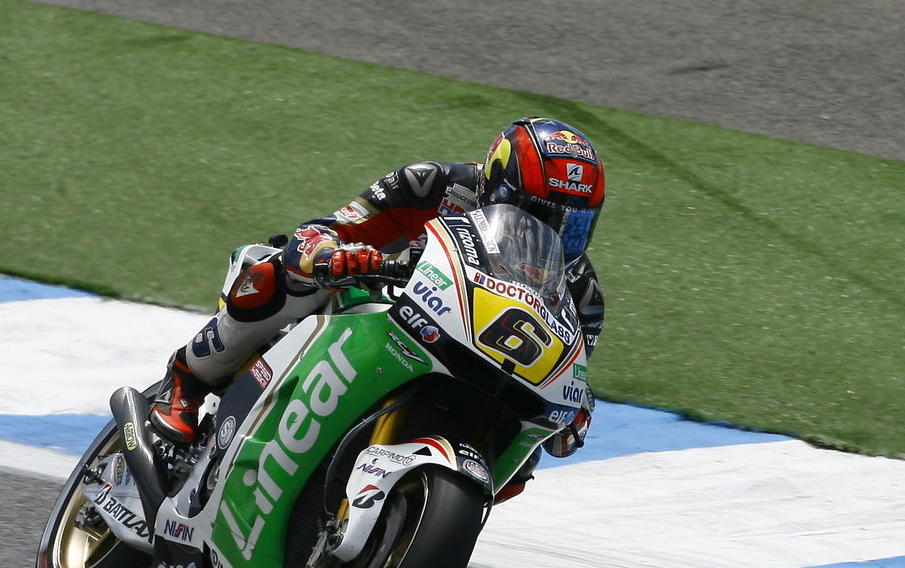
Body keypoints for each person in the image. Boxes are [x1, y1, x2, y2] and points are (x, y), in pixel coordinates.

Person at [147, 116, 607, 463]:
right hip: (379, 308)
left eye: (572, 225)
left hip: (471, 360)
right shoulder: (431, 184)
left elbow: (568, 378)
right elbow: (324, 230)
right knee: (279, 273)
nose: (548, 233)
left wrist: (576, 409)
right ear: (493, 184)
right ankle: (186, 381)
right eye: (533, 212)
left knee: (524, 457)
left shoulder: (584, 296)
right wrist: (335, 255)